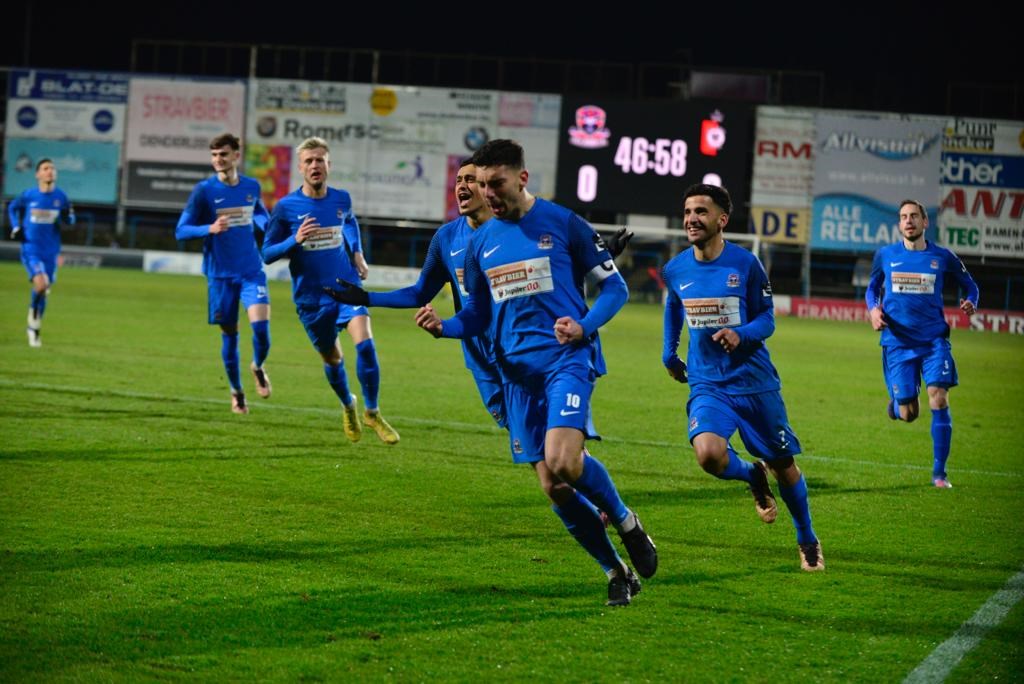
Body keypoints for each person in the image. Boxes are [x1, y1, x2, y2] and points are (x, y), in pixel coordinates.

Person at [414, 140, 656, 606]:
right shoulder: (479, 243)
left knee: (565, 460)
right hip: (516, 376)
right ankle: (615, 571)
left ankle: (627, 521)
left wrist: (583, 325)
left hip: (566, 360)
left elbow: (614, 288)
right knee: (554, 485)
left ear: (522, 179)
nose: (488, 194)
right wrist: (446, 327)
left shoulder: (563, 222)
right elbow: (478, 316)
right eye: (481, 185)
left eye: (496, 184)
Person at [662, 183, 823, 572]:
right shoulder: (676, 268)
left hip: (754, 382)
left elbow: (767, 318)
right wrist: (669, 351)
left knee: (784, 465)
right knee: (708, 454)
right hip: (707, 382)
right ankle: (751, 474)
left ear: (722, 219)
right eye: (687, 212)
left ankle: (806, 539)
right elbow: (673, 306)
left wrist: (742, 334)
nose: (691, 219)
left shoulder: (746, 264)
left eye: (701, 211)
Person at [262, 136, 399, 445]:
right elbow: (267, 254)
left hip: (346, 287)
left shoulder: (341, 199)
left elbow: (349, 223)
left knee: (365, 345)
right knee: (333, 360)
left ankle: (373, 412)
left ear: (328, 165)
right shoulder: (286, 208)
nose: (315, 165)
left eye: (320, 160)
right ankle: (348, 405)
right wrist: (293, 241)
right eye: (309, 161)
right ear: (300, 167)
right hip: (311, 300)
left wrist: (357, 253)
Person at [866, 199, 979, 488]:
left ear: (925, 222)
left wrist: (971, 301)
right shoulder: (885, 255)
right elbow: (872, 288)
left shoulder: (943, 257)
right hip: (897, 342)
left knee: (938, 397)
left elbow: (971, 285)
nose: (909, 221)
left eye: (914, 216)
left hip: (933, 341)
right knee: (909, 414)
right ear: (899, 223)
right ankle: (897, 404)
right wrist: (874, 310)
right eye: (903, 216)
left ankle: (940, 474)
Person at [176, 134, 273, 414]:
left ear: (236, 156)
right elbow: (181, 230)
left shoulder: (251, 186)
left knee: (261, 330)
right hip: (220, 276)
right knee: (230, 335)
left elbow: (259, 213)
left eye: (224, 154)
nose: (218, 160)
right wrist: (209, 228)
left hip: (251, 271)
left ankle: (257, 366)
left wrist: (266, 226)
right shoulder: (203, 191)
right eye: (214, 155)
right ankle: (237, 391)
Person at [7, 158, 76, 348]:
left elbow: (70, 220)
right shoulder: (29, 195)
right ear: (37, 174)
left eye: (52, 168)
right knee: (41, 283)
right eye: (45, 168)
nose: (50, 171)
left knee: (43, 290)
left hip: (51, 252)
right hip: (31, 249)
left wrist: (68, 216)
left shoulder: (61, 197)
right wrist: (15, 227)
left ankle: (34, 327)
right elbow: (12, 207)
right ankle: (33, 323)